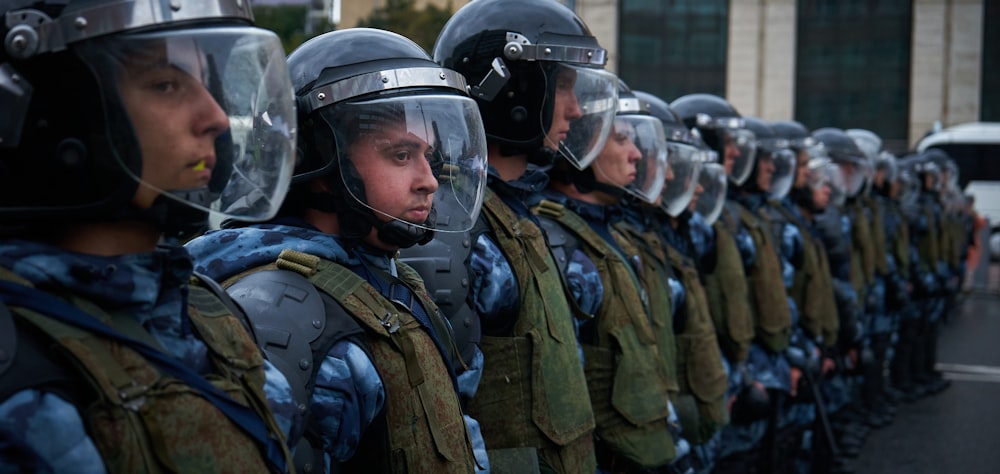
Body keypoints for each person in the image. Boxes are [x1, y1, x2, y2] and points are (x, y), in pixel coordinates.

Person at [0, 1, 300, 472]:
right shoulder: (20, 370)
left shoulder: (203, 308)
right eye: (166, 84)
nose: (216, 117)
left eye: (206, 82)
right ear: (63, 107)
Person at [186, 28, 490, 473]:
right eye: (401, 155)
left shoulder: (380, 277)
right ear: (323, 165)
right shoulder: (284, 313)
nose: (429, 179)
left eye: (429, 156)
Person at [402, 0, 620, 471]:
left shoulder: (516, 214)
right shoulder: (454, 229)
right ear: (513, 90)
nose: (577, 109)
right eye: (563, 86)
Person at [532, 78, 679, 472]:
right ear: (582, 145)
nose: (636, 156)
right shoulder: (555, 240)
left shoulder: (611, 233)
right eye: (620, 140)